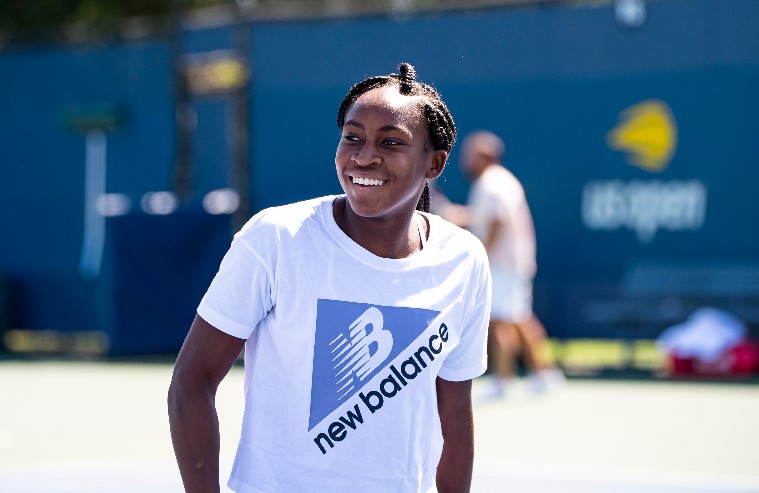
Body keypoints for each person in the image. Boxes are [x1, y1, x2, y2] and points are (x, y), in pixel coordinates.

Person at [168, 63, 491, 493]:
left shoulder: (463, 259)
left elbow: (454, 414)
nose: (364, 155)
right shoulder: (276, 239)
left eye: (391, 142)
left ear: (434, 163)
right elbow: (192, 380)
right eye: (352, 137)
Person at [458, 130, 563, 398]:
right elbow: (488, 217)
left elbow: (497, 221)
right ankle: (545, 374)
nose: (464, 160)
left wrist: (483, 255)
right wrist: (462, 216)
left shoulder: (491, 183)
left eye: (469, 154)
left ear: (483, 156)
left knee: (498, 321)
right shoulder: (498, 182)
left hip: (500, 263)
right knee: (519, 318)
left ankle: (503, 381)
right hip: (511, 262)